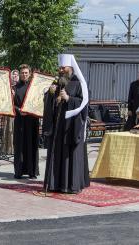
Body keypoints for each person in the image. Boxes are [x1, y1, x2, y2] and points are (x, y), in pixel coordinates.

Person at [42, 54, 90, 194]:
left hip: (72, 126)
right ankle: (55, 184)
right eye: (60, 67)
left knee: (70, 155)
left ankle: (70, 185)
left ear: (71, 67)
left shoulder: (79, 82)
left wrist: (69, 98)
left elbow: (84, 103)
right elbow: (49, 103)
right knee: (56, 153)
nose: (61, 70)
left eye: (63, 67)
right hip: (58, 126)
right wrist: (50, 95)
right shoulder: (57, 82)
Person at [13, 64, 39, 179]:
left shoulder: (34, 87)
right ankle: (18, 171)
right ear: (19, 74)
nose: (24, 75)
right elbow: (11, 105)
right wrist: (19, 110)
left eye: (26, 73)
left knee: (32, 144)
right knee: (19, 145)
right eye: (22, 73)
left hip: (32, 120)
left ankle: (32, 171)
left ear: (29, 74)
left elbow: (38, 102)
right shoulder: (14, 88)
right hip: (20, 120)